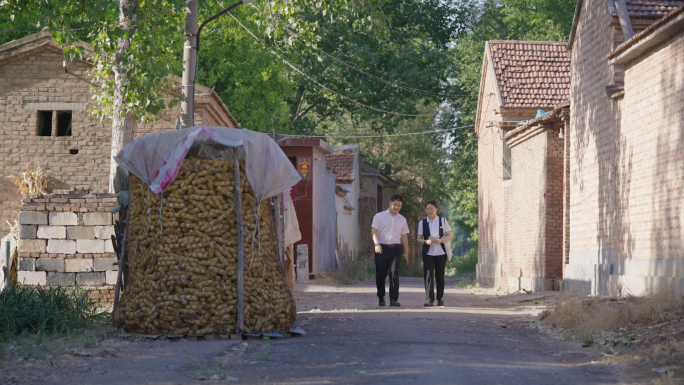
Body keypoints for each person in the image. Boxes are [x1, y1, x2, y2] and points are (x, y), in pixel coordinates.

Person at [371, 194, 409, 307]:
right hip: (381, 248)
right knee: (381, 274)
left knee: (394, 274)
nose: (396, 207)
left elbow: (404, 236)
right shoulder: (379, 216)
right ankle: (381, 297)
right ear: (390, 203)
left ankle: (393, 299)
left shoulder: (402, 219)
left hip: (396, 249)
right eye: (395, 205)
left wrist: (406, 251)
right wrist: (376, 244)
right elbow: (374, 231)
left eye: (399, 205)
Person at [417, 200, 452, 307]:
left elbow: (449, 235)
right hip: (428, 252)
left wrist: (441, 240)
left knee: (440, 276)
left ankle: (440, 298)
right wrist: (425, 242)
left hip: (441, 252)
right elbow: (419, 239)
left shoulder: (443, 221)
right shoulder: (422, 223)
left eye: (432, 209)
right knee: (428, 276)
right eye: (427, 209)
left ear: (436, 209)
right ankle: (429, 300)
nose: (429, 211)